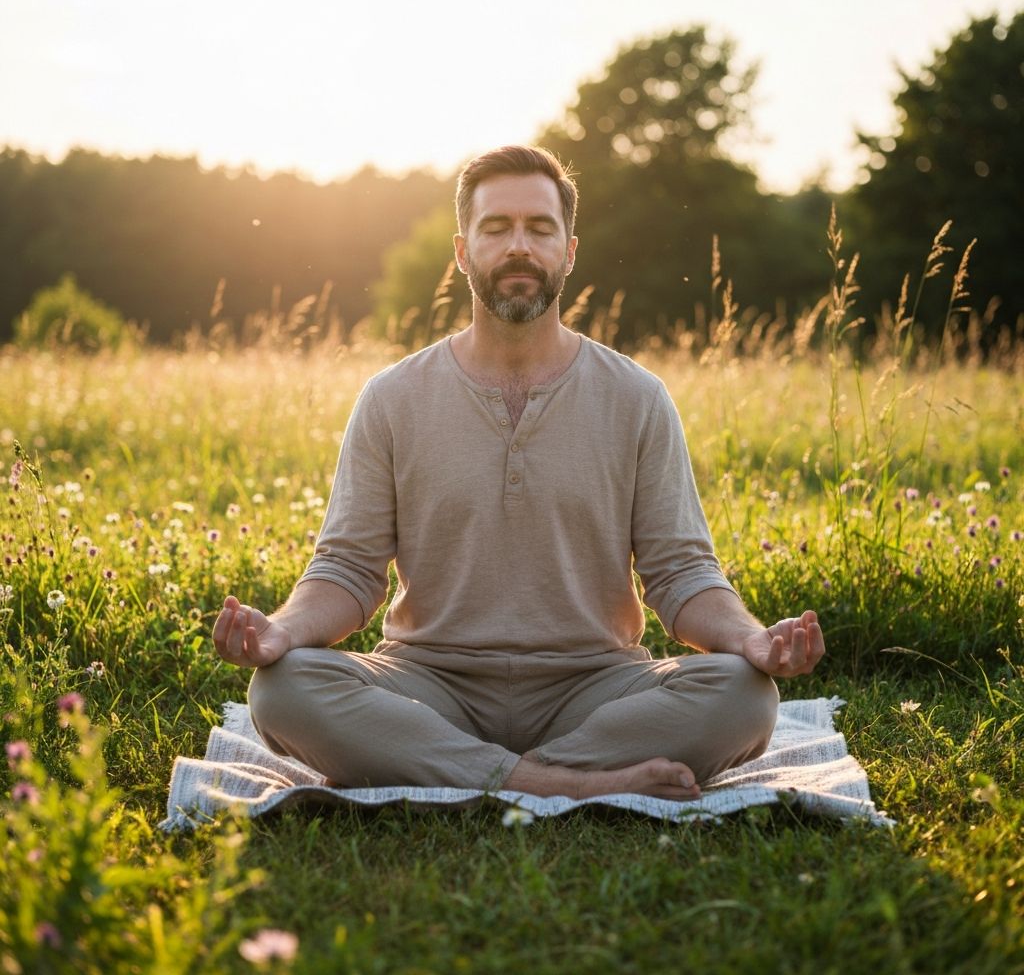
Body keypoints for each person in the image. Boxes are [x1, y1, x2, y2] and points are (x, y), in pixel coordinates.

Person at [212, 145, 825, 801]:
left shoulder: (637, 398)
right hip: (429, 684)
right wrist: (280, 630)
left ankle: (457, 769)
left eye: (539, 228)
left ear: (569, 251)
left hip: (596, 689)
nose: (518, 247)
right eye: (496, 228)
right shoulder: (391, 398)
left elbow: (681, 575)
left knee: (742, 695)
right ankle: (554, 779)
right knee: (282, 687)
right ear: (461, 252)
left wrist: (754, 640)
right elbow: (348, 571)